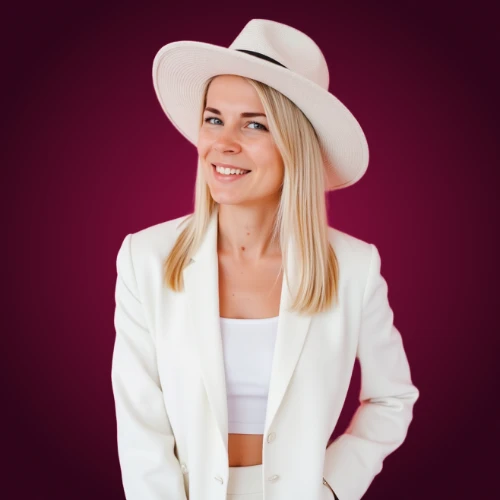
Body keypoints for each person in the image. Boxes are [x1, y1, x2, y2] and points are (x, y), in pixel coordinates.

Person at [111, 18, 420, 500]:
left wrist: (330, 488)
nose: (224, 143)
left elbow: (392, 398)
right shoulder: (145, 259)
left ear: (295, 145)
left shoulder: (354, 268)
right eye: (214, 119)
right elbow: (139, 424)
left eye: (254, 124)